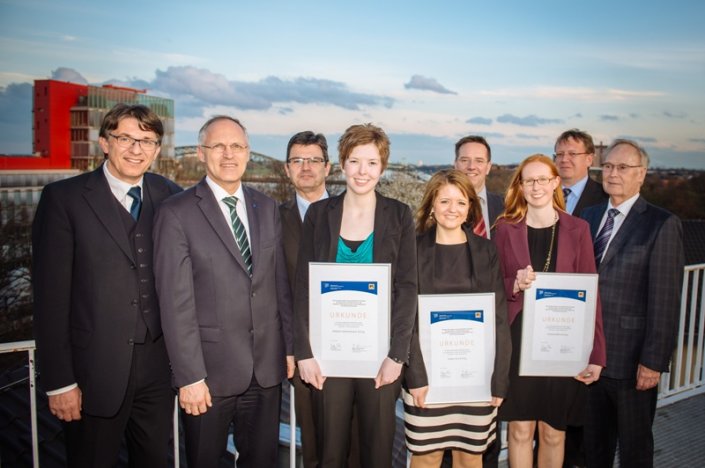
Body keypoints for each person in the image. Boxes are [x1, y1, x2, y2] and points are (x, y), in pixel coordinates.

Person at [32, 103, 181, 467]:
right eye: (125, 138)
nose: (136, 149)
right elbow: (50, 299)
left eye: (147, 141)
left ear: (157, 149)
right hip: (92, 373)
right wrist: (59, 382)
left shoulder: (171, 196)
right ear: (104, 142)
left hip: (158, 370)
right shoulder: (64, 199)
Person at [153, 115, 294, 467]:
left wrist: (288, 348)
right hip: (208, 376)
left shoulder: (266, 206)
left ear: (248, 153)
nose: (228, 154)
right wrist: (189, 377)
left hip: (265, 371)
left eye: (237, 146)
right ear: (201, 153)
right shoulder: (176, 212)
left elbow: (279, 286)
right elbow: (175, 303)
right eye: (219, 146)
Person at [294, 123, 418, 468]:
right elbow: (303, 285)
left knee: (376, 452)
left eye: (372, 163)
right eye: (355, 161)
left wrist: (397, 355)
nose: (362, 171)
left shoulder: (399, 215)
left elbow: (408, 288)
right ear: (343, 164)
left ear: (383, 167)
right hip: (327, 355)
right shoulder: (319, 215)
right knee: (330, 449)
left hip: (381, 357)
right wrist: (304, 352)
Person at [493, 154, 606, 468]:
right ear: (521, 185)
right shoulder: (505, 229)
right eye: (529, 180)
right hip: (517, 342)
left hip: (561, 342)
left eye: (543, 179)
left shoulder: (578, 229)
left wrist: (596, 354)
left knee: (554, 432)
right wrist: (513, 284)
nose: (536, 186)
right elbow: (493, 288)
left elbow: (590, 295)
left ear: (556, 182)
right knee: (519, 430)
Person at [581, 140, 684, 468]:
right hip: (587, 356)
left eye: (622, 167)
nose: (612, 173)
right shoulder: (589, 215)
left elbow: (666, 298)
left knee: (635, 449)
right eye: (608, 166)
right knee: (593, 447)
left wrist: (653, 362)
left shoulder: (660, 223)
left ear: (641, 174)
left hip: (632, 361)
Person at [403, 169, 511, 468]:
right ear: (432, 205)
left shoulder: (486, 250)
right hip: (426, 379)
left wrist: (498, 380)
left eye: (461, 202)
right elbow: (405, 319)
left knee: (470, 457)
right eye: (445, 201)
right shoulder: (411, 249)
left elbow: (498, 318)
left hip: (476, 377)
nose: (453, 209)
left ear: (470, 209)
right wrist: (416, 377)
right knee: (426, 457)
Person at [279, 131, 361, 468]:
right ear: (287, 169)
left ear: (328, 168)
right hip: (304, 348)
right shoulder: (273, 219)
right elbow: (276, 287)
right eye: (298, 160)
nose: (306, 167)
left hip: (354, 343)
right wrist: (290, 346)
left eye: (313, 160)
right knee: (313, 444)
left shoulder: (356, 213)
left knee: (354, 442)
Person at [454, 135, 504, 238]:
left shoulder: (505, 207)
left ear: (488, 167)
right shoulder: (442, 209)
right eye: (464, 160)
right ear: (455, 165)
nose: (471, 166)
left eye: (479, 161)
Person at [553, 129, 608, 218]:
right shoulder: (542, 192)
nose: (564, 159)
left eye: (572, 154)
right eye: (560, 154)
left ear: (589, 160)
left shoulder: (606, 198)